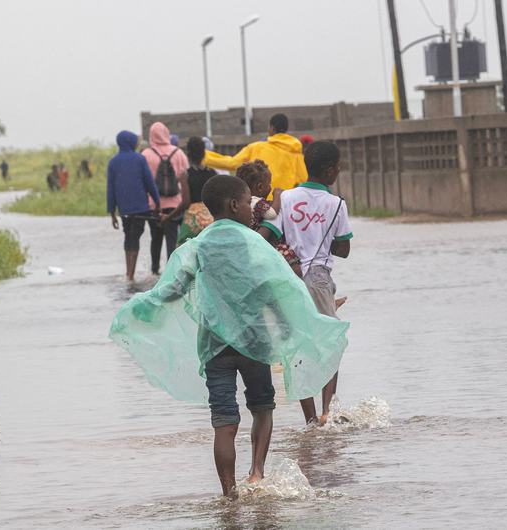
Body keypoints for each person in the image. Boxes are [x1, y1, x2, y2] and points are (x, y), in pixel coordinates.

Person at [109, 174, 349, 497]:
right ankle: (256, 474)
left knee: (224, 421)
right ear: (234, 205)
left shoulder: (198, 246)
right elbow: (276, 287)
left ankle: (229, 494)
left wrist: (139, 307)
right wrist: (291, 324)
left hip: (215, 348)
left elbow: (172, 289)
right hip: (253, 343)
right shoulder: (255, 244)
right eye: (249, 200)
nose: (253, 207)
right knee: (262, 408)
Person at [259, 140, 353, 426]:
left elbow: (268, 234)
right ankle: (328, 412)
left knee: (296, 346)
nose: (338, 171)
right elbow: (344, 248)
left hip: (288, 278)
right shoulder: (336, 204)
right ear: (329, 171)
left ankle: (310, 418)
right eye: (337, 167)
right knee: (330, 342)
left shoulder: (286, 198)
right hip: (320, 279)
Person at [204, 113, 307, 197]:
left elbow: (231, 163)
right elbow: (304, 179)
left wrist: (204, 157)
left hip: (260, 204)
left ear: (272, 128)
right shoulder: (296, 152)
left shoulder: (256, 147)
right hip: (284, 203)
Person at [106, 130, 160, 282]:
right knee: (135, 237)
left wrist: (112, 213)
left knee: (128, 237)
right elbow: (149, 182)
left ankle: (128, 273)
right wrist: (157, 202)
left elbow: (110, 189)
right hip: (140, 207)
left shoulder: (113, 162)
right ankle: (131, 275)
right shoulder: (139, 159)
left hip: (124, 209)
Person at [141, 122, 189, 274]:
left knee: (155, 239)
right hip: (175, 204)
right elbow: (186, 176)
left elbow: (142, 181)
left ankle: (155, 270)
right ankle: (172, 271)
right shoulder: (178, 153)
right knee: (172, 238)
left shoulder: (146, 155)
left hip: (154, 205)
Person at [177, 136, 217, 244]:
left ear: (188, 154)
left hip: (193, 220)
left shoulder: (185, 174)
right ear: (204, 153)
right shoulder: (212, 173)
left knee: (183, 248)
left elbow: (185, 202)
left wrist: (169, 216)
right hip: (211, 219)